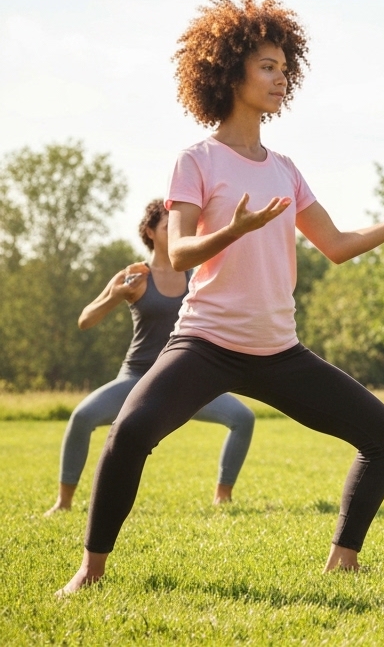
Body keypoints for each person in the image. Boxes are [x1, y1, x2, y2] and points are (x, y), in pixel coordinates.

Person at [57, 0, 384, 596]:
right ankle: (90, 571)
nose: (282, 80)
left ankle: (343, 558)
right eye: (267, 67)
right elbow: (177, 253)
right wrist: (234, 229)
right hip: (204, 342)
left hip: (278, 350)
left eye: (285, 68)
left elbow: (336, 243)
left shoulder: (284, 168)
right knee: (128, 433)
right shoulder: (196, 159)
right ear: (231, 73)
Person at [46, 201, 256, 516]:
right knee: (83, 417)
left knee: (243, 418)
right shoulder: (135, 275)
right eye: (165, 226)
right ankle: (63, 503)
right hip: (137, 377)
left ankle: (222, 497)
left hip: (186, 377)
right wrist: (116, 295)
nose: (174, 230)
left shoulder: (195, 275)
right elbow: (85, 320)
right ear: (150, 232)